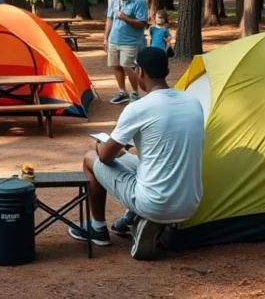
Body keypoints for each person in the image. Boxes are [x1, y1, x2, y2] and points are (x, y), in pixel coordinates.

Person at [69, 47, 204, 260]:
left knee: (90, 158)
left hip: (154, 202)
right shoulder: (193, 103)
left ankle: (98, 229)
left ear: (140, 72)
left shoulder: (138, 108)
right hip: (190, 203)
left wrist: (99, 147)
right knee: (135, 162)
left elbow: (105, 158)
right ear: (167, 72)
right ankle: (130, 221)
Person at [105, 0, 148, 103]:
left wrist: (125, 18)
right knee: (116, 65)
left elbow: (142, 23)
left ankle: (135, 93)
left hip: (130, 41)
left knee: (127, 66)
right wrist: (105, 38)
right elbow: (109, 19)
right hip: (114, 39)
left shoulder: (139, 2)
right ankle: (122, 92)